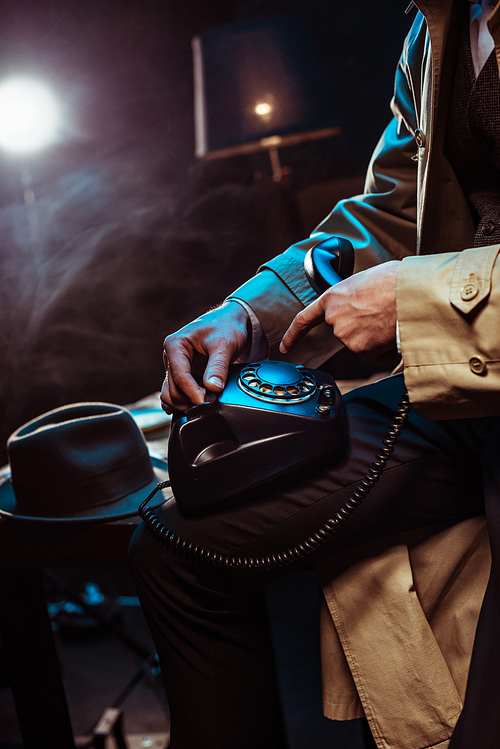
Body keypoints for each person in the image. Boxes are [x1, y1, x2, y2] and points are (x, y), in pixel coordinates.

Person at [129, 1, 500, 747]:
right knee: (176, 546)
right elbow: (395, 208)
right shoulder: (437, 23)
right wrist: (252, 312)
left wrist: (416, 298)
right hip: (466, 391)